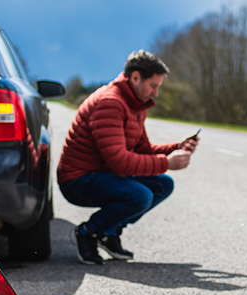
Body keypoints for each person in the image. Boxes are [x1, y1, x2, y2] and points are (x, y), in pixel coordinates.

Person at [57, 50, 199, 265]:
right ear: (135, 77)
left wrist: (176, 147)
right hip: (78, 180)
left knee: (162, 185)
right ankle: (87, 233)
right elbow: (120, 161)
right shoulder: (110, 103)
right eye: (153, 85)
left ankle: (109, 232)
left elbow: (142, 148)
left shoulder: (135, 105)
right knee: (140, 195)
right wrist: (166, 163)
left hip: (102, 174)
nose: (156, 93)